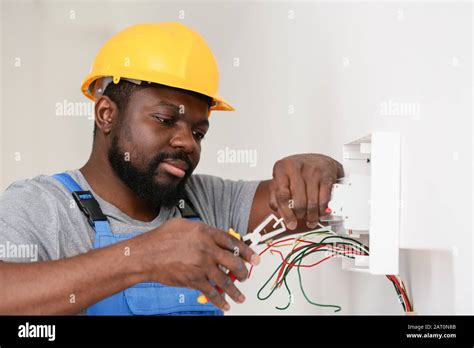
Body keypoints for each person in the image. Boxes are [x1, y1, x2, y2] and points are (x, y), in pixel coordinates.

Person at [0, 22, 343, 315]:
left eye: (198, 132)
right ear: (106, 114)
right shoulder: (44, 206)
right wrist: (140, 257)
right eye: (165, 120)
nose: (188, 143)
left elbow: (306, 197)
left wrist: (322, 166)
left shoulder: (206, 200)